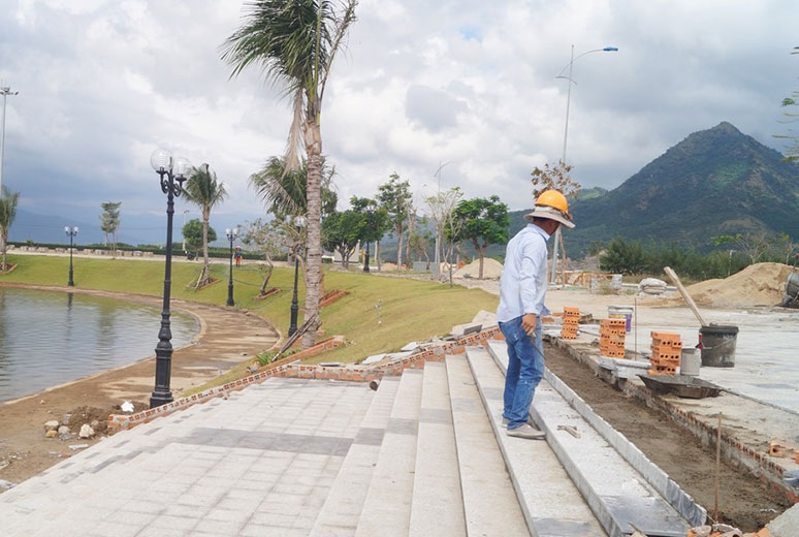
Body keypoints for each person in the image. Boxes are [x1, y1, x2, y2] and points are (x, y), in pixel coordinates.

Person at [496, 189, 575, 439]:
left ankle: (510, 413)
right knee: (533, 369)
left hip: (508, 313)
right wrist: (530, 311)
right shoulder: (536, 242)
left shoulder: (519, 237)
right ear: (552, 222)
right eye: (559, 225)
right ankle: (517, 421)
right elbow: (527, 277)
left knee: (517, 366)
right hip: (522, 316)